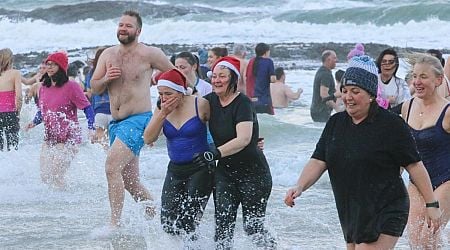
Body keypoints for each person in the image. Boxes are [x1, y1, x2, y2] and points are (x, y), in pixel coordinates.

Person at [285, 55, 441, 249]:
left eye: (355, 91)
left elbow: (414, 165)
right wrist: (299, 187)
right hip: (352, 211)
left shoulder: (391, 125)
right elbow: (319, 160)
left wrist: (431, 204)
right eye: (345, 91)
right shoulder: (336, 124)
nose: (348, 97)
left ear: (371, 95)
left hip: (387, 208)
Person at [89, 10, 175, 228]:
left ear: (138, 30)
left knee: (111, 167)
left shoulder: (149, 54)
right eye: (120, 25)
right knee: (129, 181)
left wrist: (163, 104)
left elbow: (175, 77)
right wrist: (107, 77)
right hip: (115, 123)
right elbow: (94, 86)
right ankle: (156, 215)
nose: (123, 29)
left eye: (128, 26)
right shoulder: (108, 55)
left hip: (139, 119)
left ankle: (114, 224)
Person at [194, 56, 275, 249]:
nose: (216, 80)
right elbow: (189, 109)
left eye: (222, 76)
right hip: (226, 174)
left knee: (252, 228)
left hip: (254, 175)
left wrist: (214, 153)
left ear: (233, 79)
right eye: (214, 76)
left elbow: (244, 139)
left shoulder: (243, 103)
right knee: (222, 229)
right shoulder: (209, 101)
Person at [143, 69, 212, 241]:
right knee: (168, 223)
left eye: (168, 93)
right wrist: (163, 114)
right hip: (175, 169)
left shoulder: (200, 104)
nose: (164, 98)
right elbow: (148, 138)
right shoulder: (161, 107)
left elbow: (222, 128)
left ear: (181, 92)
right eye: (160, 94)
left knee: (188, 223)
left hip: (201, 168)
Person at [400, 54, 450, 249]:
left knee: (428, 237)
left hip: (445, 180)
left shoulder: (447, 112)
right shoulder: (407, 107)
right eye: (414, 76)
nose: (417, 82)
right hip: (417, 182)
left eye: (423, 77)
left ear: (438, 80)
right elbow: (403, 150)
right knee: (415, 240)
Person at [26, 51, 95, 188]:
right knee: (45, 176)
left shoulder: (72, 86)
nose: (50, 67)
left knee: (57, 174)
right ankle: (54, 206)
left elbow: (88, 108)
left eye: (54, 64)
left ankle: (65, 204)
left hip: (69, 138)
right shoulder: (43, 88)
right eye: (48, 64)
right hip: (50, 137)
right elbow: (44, 111)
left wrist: (91, 127)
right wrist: (34, 122)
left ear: (62, 67)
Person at [85, 47, 111, 147]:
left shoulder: (92, 73)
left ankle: (103, 161)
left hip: (99, 112)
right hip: (115, 112)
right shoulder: (114, 71)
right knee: (114, 141)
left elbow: (89, 93)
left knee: (101, 141)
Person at [0, 48, 22, 151]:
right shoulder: (15, 73)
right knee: (13, 147)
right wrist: (18, 112)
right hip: (10, 113)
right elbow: (19, 96)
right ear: (10, 59)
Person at [247, 43, 276, 115]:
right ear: (266, 52)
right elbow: (273, 79)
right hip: (263, 99)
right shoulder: (268, 62)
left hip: (251, 98)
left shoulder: (251, 61)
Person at [310, 50, 338, 122]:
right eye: (334, 58)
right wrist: (337, 108)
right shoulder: (326, 74)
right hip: (321, 111)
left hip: (316, 109)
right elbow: (324, 95)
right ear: (328, 60)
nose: (336, 60)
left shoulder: (321, 71)